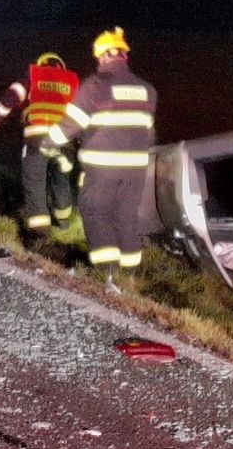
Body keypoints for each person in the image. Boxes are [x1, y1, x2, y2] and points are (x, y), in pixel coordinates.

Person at [40, 27, 157, 292]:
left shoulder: (96, 86)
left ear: (103, 56)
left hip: (104, 167)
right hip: (136, 169)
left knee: (95, 211)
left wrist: (49, 142)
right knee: (126, 217)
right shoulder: (147, 91)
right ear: (124, 56)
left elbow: (73, 123)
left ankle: (106, 274)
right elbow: (148, 131)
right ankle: (129, 278)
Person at [0, 52, 80, 235]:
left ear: (42, 64)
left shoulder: (34, 74)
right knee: (61, 181)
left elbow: (13, 95)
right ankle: (64, 223)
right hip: (65, 142)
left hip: (38, 139)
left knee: (35, 183)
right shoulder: (73, 81)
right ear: (61, 67)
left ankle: (40, 233)